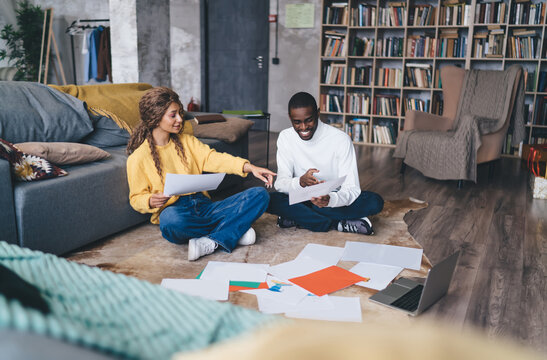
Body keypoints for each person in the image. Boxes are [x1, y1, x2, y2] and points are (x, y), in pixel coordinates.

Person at [126, 87, 276, 261]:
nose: (180, 119)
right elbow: (136, 198)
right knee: (169, 221)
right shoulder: (138, 158)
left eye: (180, 114)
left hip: (205, 206)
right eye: (173, 115)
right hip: (176, 211)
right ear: (155, 117)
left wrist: (250, 167)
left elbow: (215, 159)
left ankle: (213, 239)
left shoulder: (187, 142)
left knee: (260, 195)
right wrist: (150, 200)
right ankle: (233, 230)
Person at [267, 92, 384, 235]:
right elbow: (281, 184)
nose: (303, 127)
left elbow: (352, 188)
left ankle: (300, 218)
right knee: (268, 199)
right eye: (297, 122)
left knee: (375, 201)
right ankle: (336, 223)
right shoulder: (285, 137)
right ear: (290, 118)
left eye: (309, 120)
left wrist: (330, 200)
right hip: (301, 197)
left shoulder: (340, 139)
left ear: (317, 113)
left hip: (333, 198)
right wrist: (301, 182)